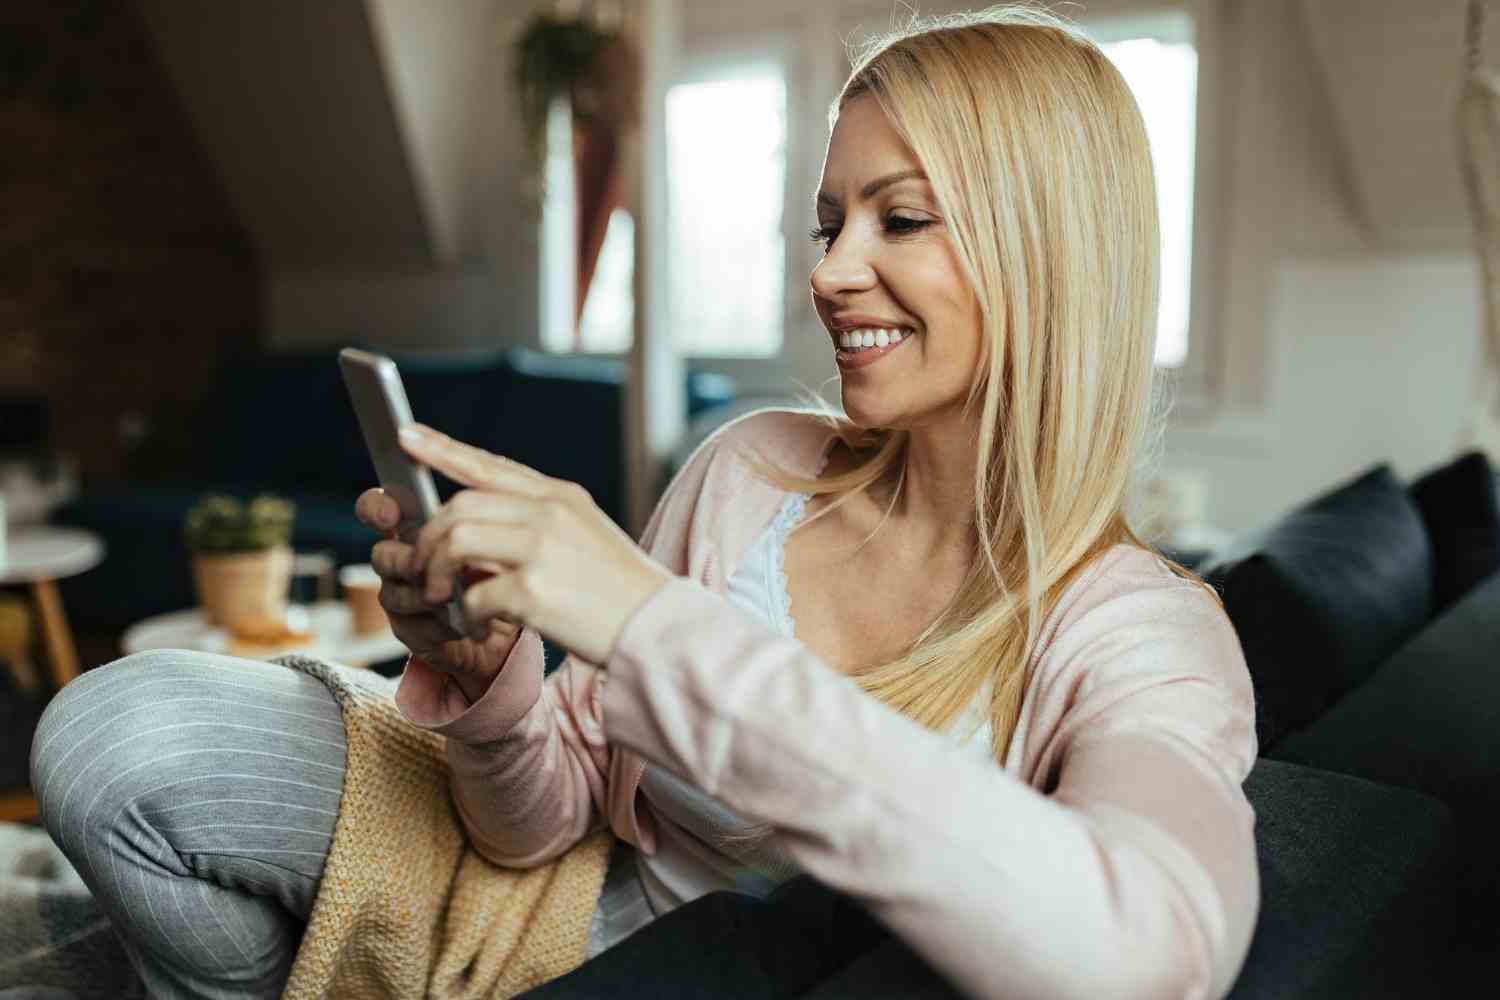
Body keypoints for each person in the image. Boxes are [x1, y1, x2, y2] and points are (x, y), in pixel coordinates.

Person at [29, 5, 1260, 998]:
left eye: (902, 218)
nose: (831, 273)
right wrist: (497, 679)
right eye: (829, 221)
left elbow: (1146, 959)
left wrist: (653, 624)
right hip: (537, 919)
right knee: (107, 738)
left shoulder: (1142, 635)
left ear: (1046, 253)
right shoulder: (755, 472)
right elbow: (539, 823)